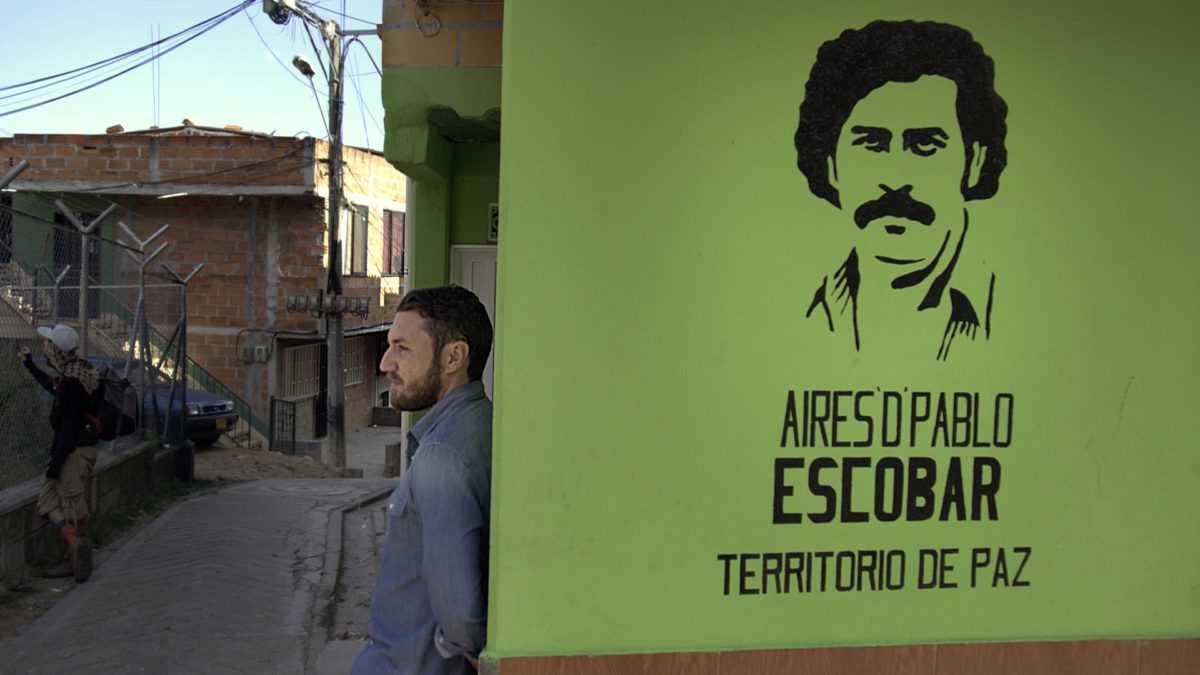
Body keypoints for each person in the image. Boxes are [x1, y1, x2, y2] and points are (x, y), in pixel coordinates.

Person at [793, 20, 1009, 360]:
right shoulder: (798, 308)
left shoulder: (1017, 305)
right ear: (831, 165)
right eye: (871, 144)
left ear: (976, 161)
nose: (895, 177)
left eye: (925, 146)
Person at [353, 285, 494, 675]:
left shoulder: (441, 457)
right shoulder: (484, 427)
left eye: (402, 348)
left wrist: (461, 647)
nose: (385, 363)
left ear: (454, 357)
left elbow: (462, 616)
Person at [19, 324, 100, 583]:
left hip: (72, 453)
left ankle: (76, 552)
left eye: (49, 344)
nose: (46, 347)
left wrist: (55, 464)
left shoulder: (72, 384)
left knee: (65, 503)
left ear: (57, 350)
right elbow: (53, 387)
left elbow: (68, 427)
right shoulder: (78, 372)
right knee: (60, 503)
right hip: (80, 450)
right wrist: (30, 365)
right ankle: (76, 551)